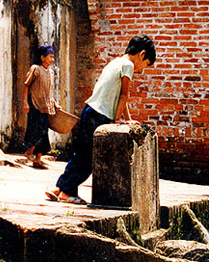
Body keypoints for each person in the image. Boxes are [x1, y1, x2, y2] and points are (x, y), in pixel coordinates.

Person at [45, 34, 156, 205]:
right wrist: (117, 120)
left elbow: (119, 95)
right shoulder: (128, 65)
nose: (142, 69)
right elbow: (125, 95)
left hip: (89, 111)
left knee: (80, 154)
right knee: (90, 159)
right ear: (142, 55)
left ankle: (60, 187)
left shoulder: (115, 62)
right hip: (99, 116)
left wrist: (128, 118)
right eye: (146, 64)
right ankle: (67, 192)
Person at [21, 44, 59, 169]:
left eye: (53, 57)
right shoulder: (35, 69)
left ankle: (38, 159)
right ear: (42, 58)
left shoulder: (51, 72)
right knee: (36, 130)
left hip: (46, 106)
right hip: (35, 104)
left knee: (44, 132)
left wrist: (54, 103)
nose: (52, 60)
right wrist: (25, 102)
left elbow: (50, 91)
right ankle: (29, 151)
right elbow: (26, 85)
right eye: (50, 57)